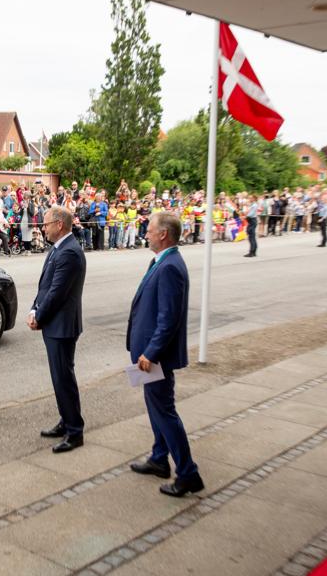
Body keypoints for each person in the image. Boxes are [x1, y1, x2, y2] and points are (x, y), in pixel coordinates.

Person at [127, 212, 204, 497]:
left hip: (154, 356)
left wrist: (151, 352)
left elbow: (168, 318)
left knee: (165, 412)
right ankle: (160, 458)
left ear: (163, 234)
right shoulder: (161, 261)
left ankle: (188, 473)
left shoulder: (170, 266)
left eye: (149, 229)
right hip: (148, 354)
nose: (145, 233)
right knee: (156, 408)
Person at [29, 206, 86, 453]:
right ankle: (67, 420)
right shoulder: (59, 248)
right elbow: (45, 286)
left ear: (59, 224)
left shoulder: (70, 252)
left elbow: (57, 293)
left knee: (63, 378)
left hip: (61, 327)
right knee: (60, 378)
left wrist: (39, 316)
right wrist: (34, 309)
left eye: (46, 223)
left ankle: (75, 431)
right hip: (54, 324)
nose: (44, 227)